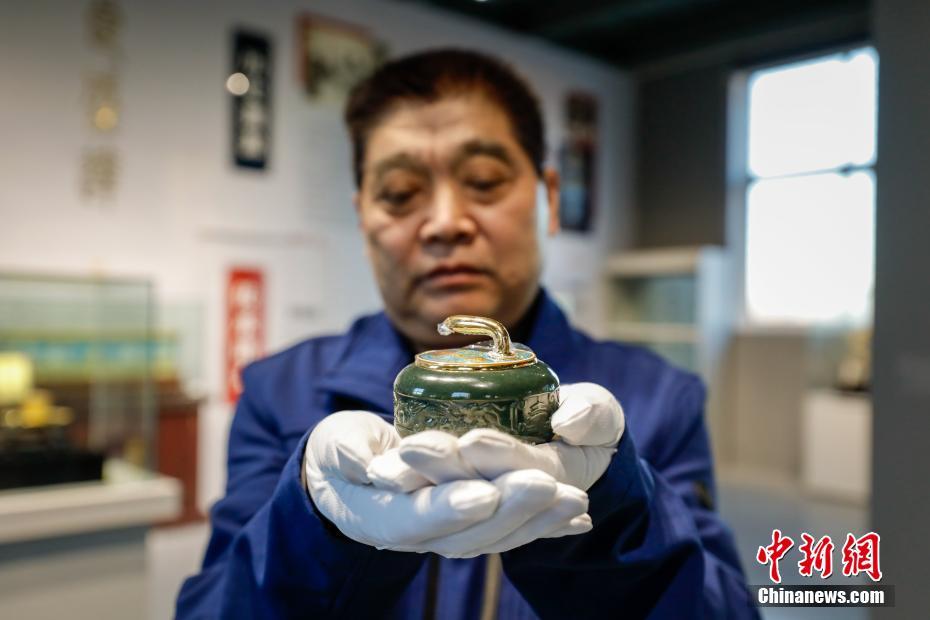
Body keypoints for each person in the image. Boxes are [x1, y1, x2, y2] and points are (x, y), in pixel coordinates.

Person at [176, 49, 757, 619]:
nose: (446, 223)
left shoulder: (659, 399)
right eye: (399, 194)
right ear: (363, 217)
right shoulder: (279, 392)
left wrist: (614, 514)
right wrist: (310, 522)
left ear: (549, 199)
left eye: (484, 181)